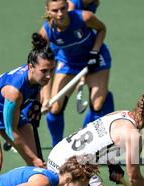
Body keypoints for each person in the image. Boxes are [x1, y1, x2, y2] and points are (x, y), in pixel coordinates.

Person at [0, 33, 55, 186]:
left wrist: (37, 103)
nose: (49, 76)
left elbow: (36, 87)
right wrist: (34, 159)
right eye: (44, 71)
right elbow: (11, 130)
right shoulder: (14, 90)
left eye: (52, 70)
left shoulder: (37, 76)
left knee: (36, 167)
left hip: (10, 110)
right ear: (30, 67)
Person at [39, 0, 115, 147]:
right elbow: (44, 66)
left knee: (98, 104)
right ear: (48, 11)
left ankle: (82, 141)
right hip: (69, 63)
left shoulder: (85, 17)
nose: (60, 14)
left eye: (63, 8)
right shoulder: (46, 33)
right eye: (55, 10)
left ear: (68, 6)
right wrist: (47, 97)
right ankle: (57, 146)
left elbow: (102, 29)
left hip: (95, 59)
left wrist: (95, 51)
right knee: (55, 108)